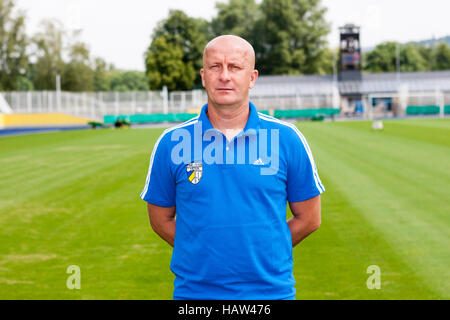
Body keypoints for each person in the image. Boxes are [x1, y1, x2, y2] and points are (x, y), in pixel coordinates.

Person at [140, 35, 325, 300]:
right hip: (195, 296)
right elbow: (160, 219)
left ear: (252, 77)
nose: (224, 76)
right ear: (204, 77)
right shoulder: (172, 143)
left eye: (235, 67)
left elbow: (309, 218)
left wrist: (267, 249)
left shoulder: (286, 138)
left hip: (271, 293)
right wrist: (202, 249)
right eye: (215, 67)